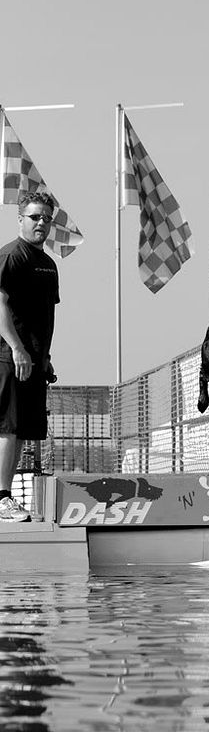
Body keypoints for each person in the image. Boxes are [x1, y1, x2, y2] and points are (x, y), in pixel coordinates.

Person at [0, 191, 59, 523]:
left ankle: (6, 495)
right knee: (7, 427)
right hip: (9, 356)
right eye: (35, 217)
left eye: (46, 218)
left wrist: (44, 356)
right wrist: (17, 348)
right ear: (20, 218)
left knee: (22, 429)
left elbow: (45, 316)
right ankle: (1, 497)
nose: (41, 223)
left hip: (35, 360)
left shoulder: (48, 265)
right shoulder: (11, 255)